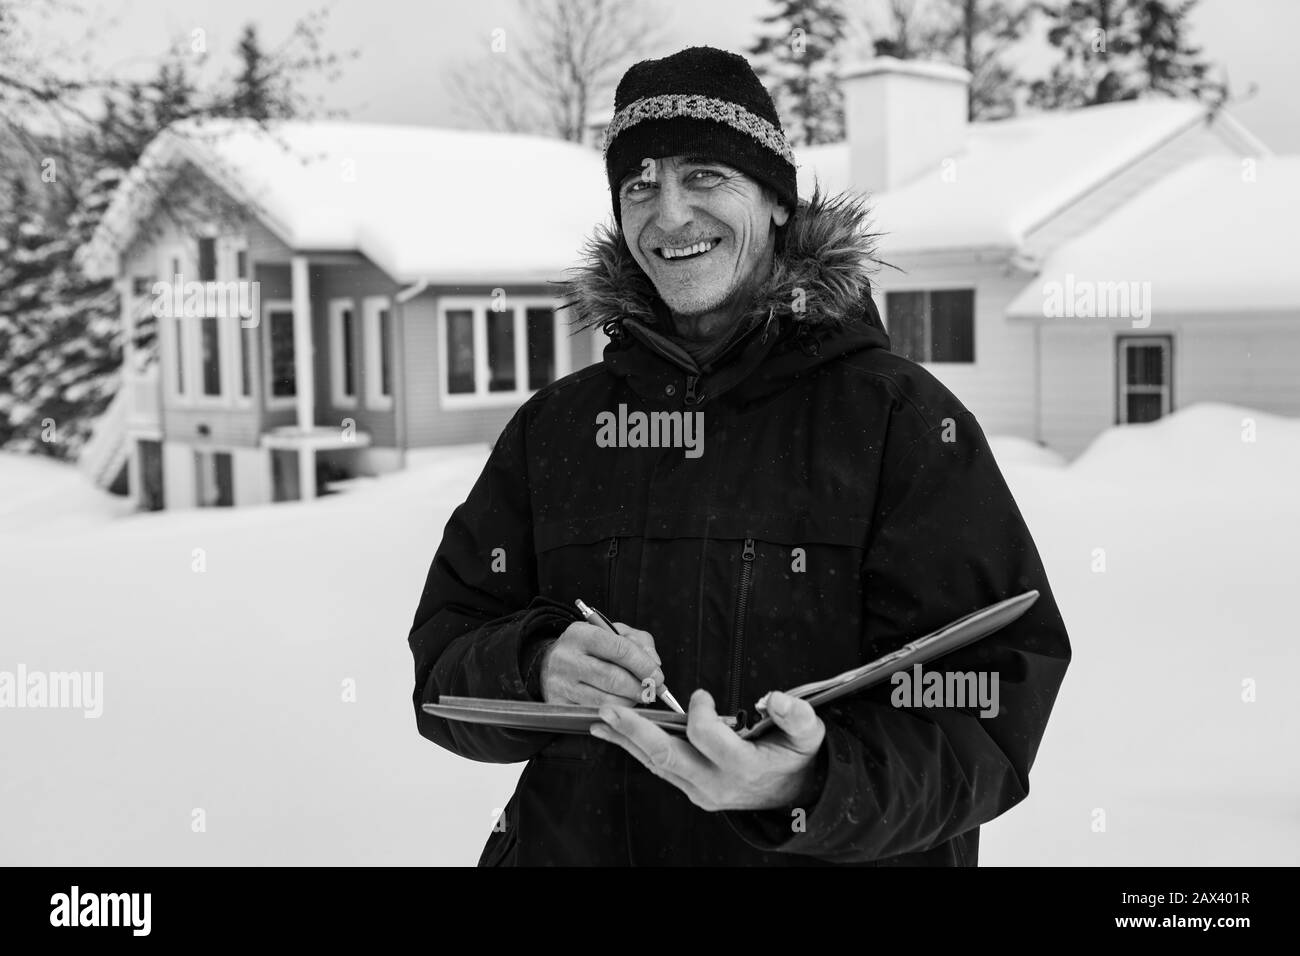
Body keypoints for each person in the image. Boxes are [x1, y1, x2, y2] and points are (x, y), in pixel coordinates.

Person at [408, 45, 1071, 866]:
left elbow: (992, 692)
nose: (671, 214)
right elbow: (442, 671)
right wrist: (534, 668)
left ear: (778, 200)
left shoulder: (899, 420)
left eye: (704, 175)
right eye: (640, 183)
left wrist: (808, 784)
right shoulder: (557, 430)